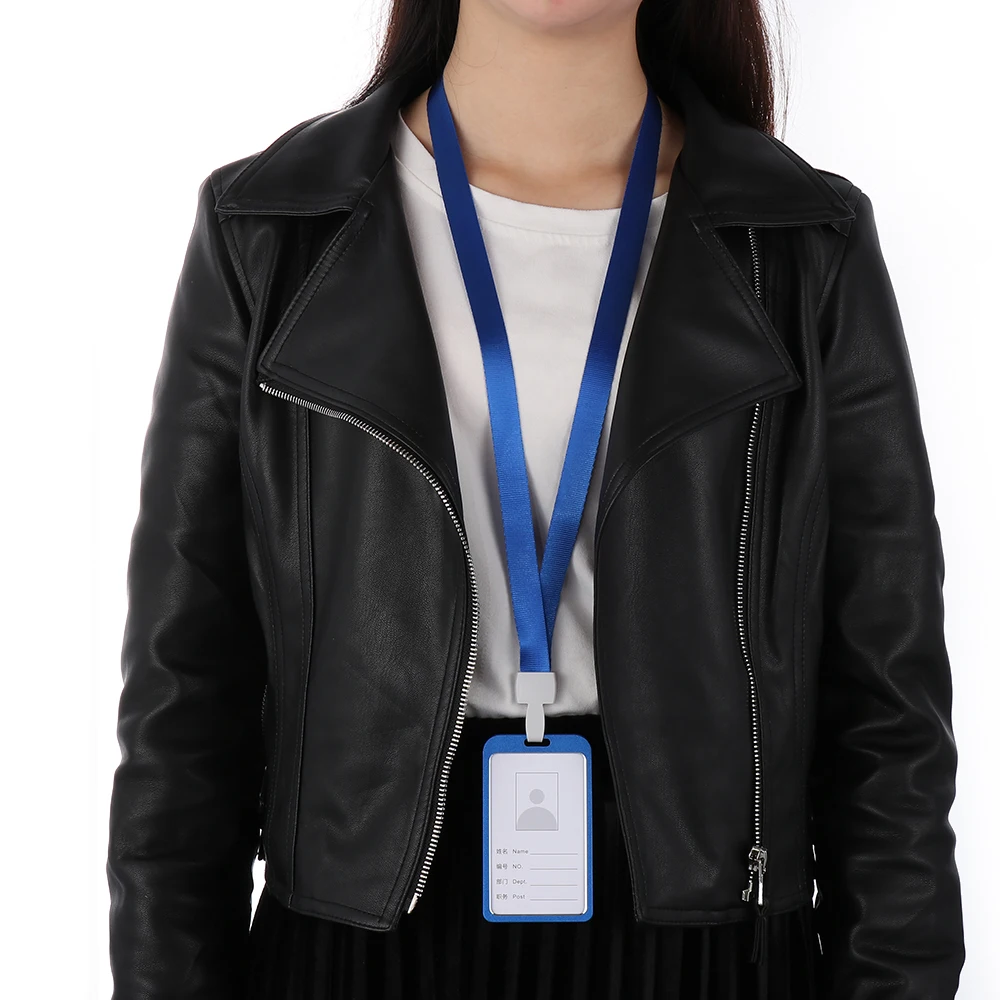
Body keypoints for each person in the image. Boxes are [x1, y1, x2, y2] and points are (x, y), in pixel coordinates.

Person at [106, 0, 965, 997]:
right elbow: (183, 703)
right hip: (357, 936)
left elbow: (887, 716)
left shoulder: (805, 244)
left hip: (706, 940)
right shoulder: (270, 231)